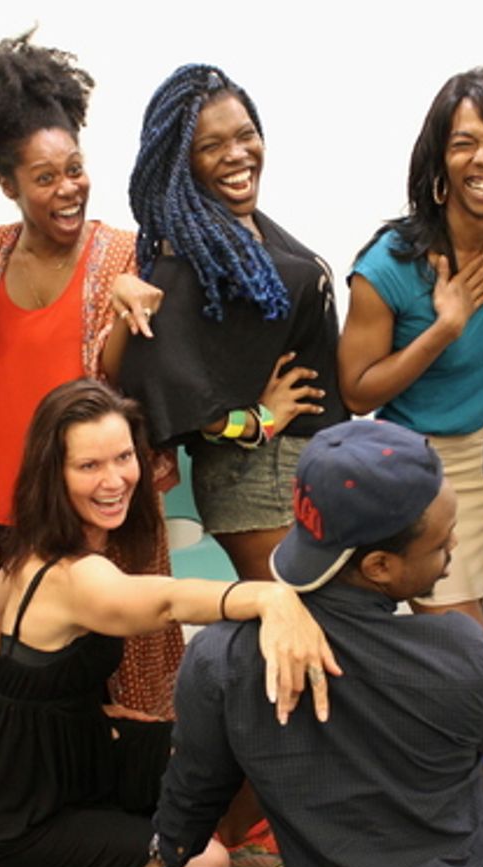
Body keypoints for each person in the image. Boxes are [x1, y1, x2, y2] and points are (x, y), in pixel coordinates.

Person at [0, 380, 339, 867]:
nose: (114, 479)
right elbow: (169, 603)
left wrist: (70, 706)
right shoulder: (75, 575)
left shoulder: (40, 543)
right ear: (54, 474)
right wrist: (270, 595)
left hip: (67, 758)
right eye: (89, 466)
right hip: (4, 824)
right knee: (205, 866)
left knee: (215, 756)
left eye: (124, 457)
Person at [120, 419, 483, 867]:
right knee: (482, 790)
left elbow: (194, 793)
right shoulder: (464, 653)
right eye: (440, 543)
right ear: (379, 567)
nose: (454, 544)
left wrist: (163, 860)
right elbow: (475, 746)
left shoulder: (220, 660)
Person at [0, 31, 182, 715]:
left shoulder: (124, 256)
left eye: (74, 168)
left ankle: (153, 824)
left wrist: (126, 317)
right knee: (30, 701)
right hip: (14, 525)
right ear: (5, 184)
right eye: (44, 177)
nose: (68, 187)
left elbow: (118, 387)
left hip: (108, 519)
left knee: (135, 694)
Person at [338, 66, 483, 631]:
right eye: (465, 144)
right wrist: (443, 329)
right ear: (440, 163)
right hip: (410, 462)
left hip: (482, 453)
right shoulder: (390, 265)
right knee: (463, 632)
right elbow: (357, 393)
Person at [119, 63, 347, 582]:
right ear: (183, 165)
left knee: (306, 634)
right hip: (260, 479)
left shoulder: (243, 233)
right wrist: (261, 420)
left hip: (296, 464)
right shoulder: (183, 263)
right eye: (211, 146)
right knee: (290, 634)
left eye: (246, 135)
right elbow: (163, 391)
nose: (237, 154)